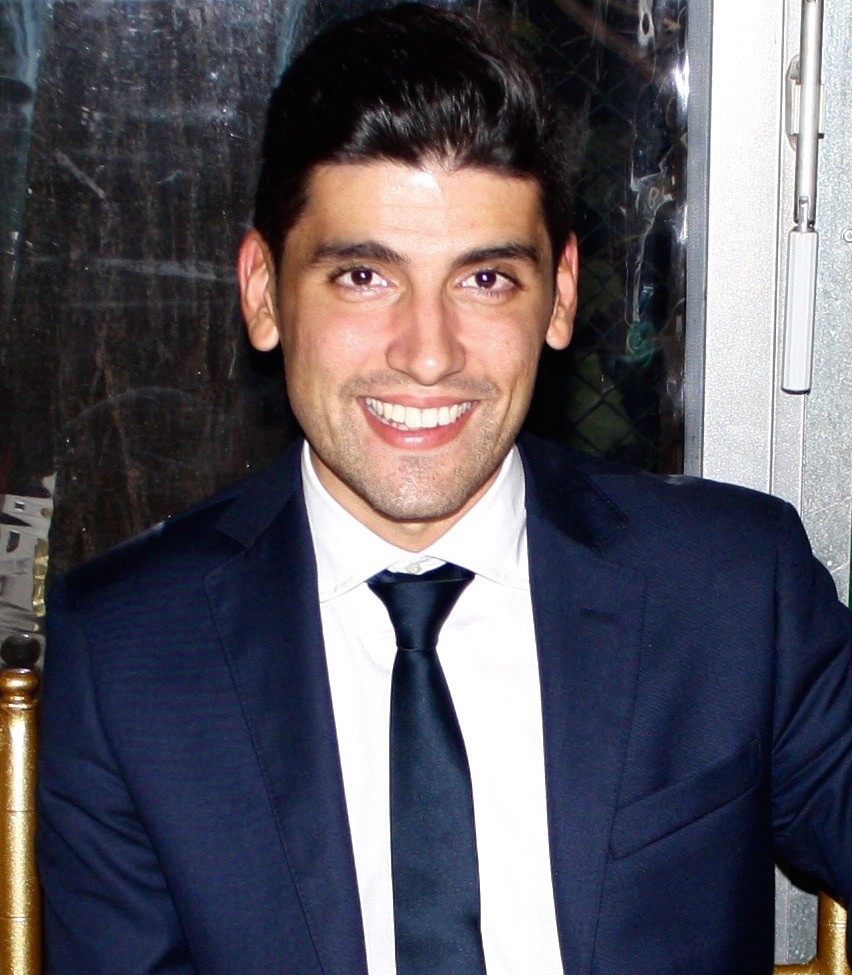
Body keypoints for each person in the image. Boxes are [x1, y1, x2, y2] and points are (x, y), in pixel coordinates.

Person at [37, 5, 852, 975]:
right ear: (263, 293)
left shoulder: (731, 589)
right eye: (363, 277)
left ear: (561, 295)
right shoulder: (129, 655)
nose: (428, 355)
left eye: (485, 281)